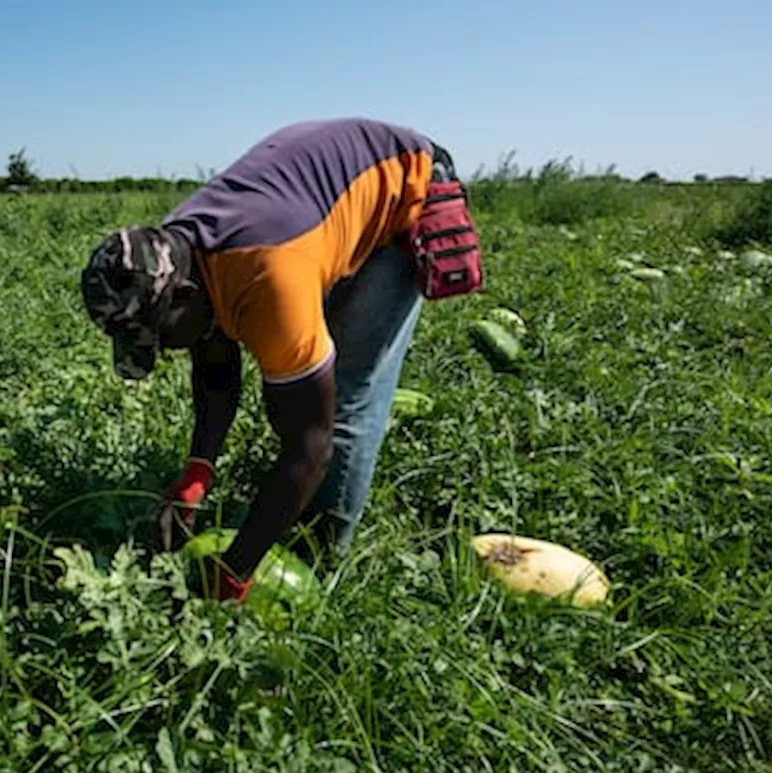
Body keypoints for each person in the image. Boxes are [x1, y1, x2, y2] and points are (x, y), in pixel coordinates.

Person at [78, 117, 482, 602]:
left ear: (182, 295)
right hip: (314, 206)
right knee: (303, 365)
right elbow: (214, 359)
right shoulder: (177, 254)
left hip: (408, 189)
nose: (162, 350)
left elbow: (309, 445)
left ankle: (325, 555)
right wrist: (197, 472)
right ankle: (293, 526)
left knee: (345, 397)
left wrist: (236, 570)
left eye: (159, 337)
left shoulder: (270, 280)